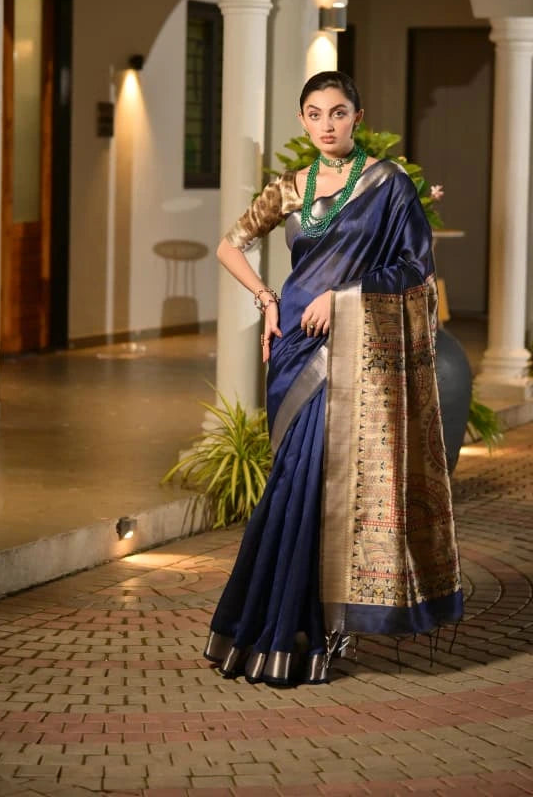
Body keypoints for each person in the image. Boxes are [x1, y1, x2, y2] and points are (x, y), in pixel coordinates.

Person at [204, 71, 462, 686]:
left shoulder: (388, 184)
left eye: (339, 113)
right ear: (303, 121)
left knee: (319, 483)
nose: (327, 125)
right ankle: (279, 628)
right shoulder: (291, 188)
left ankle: (303, 632)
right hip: (295, 344)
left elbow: (415, 266)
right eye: (315, 114)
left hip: (351, 348)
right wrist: (267, 299)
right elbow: (228, 244)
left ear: (357, 117)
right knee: (295, 481)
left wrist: (346, 293)